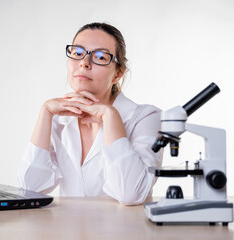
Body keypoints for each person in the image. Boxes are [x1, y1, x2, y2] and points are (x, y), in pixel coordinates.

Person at [17, 22, 163, 205]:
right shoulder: (58, 117)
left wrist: (111, 118)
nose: (84, 63)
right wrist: (45, 113)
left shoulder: (145, 117)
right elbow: (29, 190)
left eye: (100, 57)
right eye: (77, 53)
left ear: (118, 74)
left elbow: (131, 194)